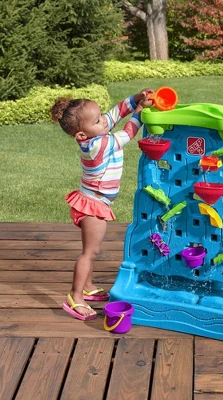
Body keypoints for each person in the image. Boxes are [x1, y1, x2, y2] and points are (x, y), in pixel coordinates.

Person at [50, 88, 153, 320]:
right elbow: (127, 133)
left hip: (92, 201)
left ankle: (87, 287)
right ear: (81, 135)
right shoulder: (98, 145)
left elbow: (115, 113)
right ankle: (75, 296)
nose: (104, 121)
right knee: (89, 252)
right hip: (93, 205)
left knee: (91, 250)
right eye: (97, 121)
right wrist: (139, 112)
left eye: (100, 116)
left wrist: (136, 98)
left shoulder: (95, 132)